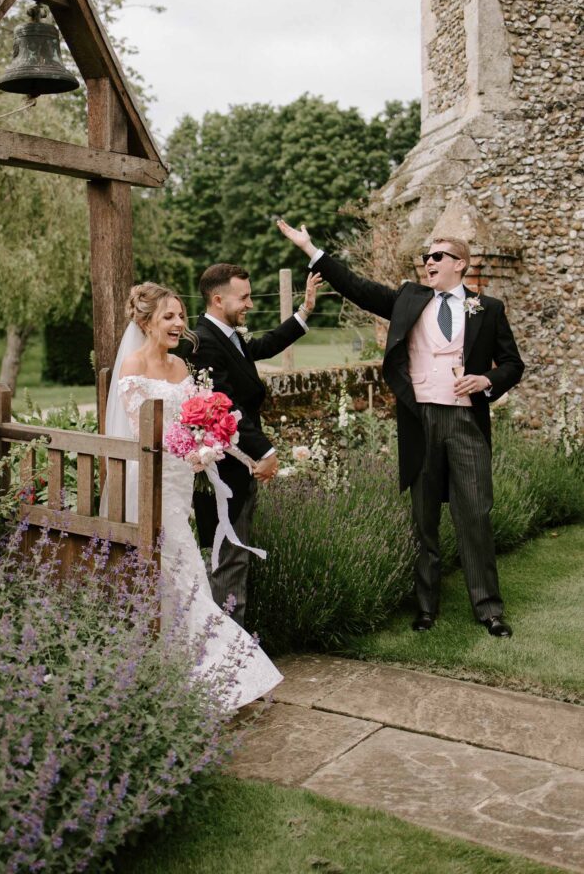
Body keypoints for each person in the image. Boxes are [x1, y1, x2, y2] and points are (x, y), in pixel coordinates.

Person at [277, 219, 524, 638]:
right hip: (421, 419)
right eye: (426, 256)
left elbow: (514, 364)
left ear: (461, 264)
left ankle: (488, 609)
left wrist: (487, 381)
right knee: (423, 517)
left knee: (475, 515)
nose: (429, 261)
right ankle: (426, 608)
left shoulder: (488, 308)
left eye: (438, 256)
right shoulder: (410, 299)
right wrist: (310, 249)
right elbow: (357, 286)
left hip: (467, 422)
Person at [102, 281, 283, 708]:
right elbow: (143, 432)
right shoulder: (132, 366)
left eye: (181, 315)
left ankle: (180, 674)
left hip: (180, 487)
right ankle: (210, 677)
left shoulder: (183, 369)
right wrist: (195, 447)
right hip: (150, 486)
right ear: (145, 321)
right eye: (168, 316)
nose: (179, 324)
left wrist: (232, 451)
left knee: (179, 575)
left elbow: (209, 421)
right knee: (179, 576)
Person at [191, 264, 322, 628]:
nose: (249, 303)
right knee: (229, 560)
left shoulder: (228, 335)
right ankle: (230, 661)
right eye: (243, 297)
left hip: (238, 466)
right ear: (218, 300)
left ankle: (233, 652)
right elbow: (225, 404)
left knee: (235, 556)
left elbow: (261, 347)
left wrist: (304, 312)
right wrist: (265, 452)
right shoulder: (205, 343)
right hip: (224, 469)